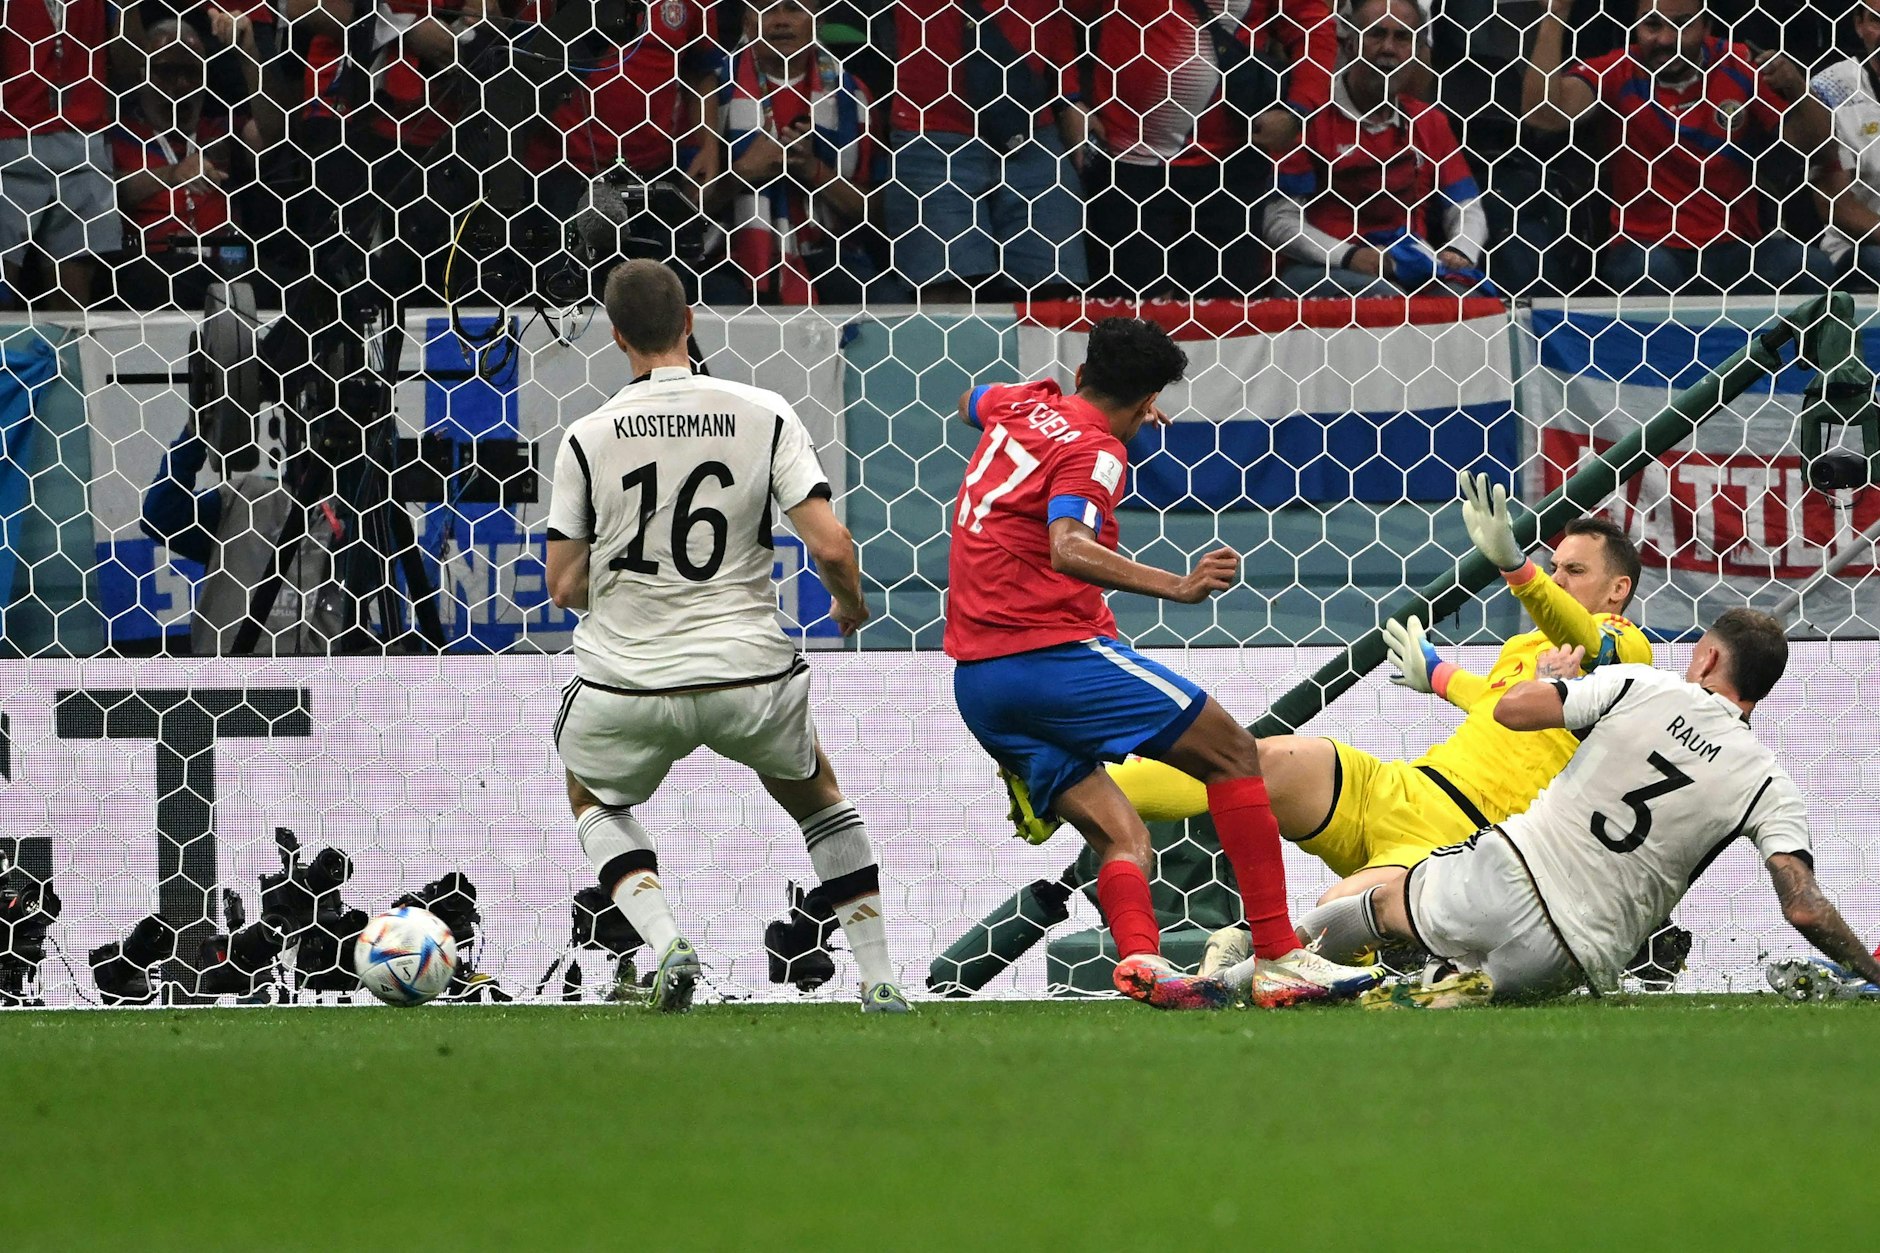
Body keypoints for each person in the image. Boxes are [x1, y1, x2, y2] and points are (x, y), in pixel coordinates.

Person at [1003, 472, 1653, 970]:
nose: (1559, 577)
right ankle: (1057, 788)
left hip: (1462, 839)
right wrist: (1440, 676)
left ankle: (1331, 969)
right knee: (1253, 759)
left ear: (1617, 589)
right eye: (1556, 565)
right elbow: (1496, 704)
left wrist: (1519, 570)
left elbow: (1589, 641)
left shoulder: (1629, 650)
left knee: (1331, 920)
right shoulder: (1529, 648)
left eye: (1576, 570)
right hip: (1401, 786)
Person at [945, 316, 1379, 1011]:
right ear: (1148, 403)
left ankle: (1143, 961)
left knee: (1123, 833)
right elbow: (1068, 545)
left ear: (1082, 375)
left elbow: (972, 399)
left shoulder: (1022, 403)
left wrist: (1035, 411)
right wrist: (1177, 584)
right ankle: (1276, 954)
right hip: (1047, 656)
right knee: (1235, 753)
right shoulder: (1096, 451)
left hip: (978, 681)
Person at [544, 259, 907, 1014]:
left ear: (616, 337)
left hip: (629, 683)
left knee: (592, 797)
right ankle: (877, 978)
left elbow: (563, 586)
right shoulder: (764, 411)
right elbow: (832, 546)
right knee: (820, 801)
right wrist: (850, 604)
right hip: (750, 677)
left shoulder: (585, 436)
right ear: (691, 322)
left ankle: (667, 937)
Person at [1275, 609, 1880, 1007]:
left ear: (1708, 660)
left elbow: (1513, 712)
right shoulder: (1770, 784)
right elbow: (1804, 908)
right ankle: (1442, 986)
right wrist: (1871, 973)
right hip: (1574, 957)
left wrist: (1546, 677)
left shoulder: (1646, 683)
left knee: (1378, 905)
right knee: (1453, 989)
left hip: (1506, 875)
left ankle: (1256, 969)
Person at [1522, 0, 1835, 296]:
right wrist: (1555, 16)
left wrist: (1796, 86)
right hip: (1646, 247)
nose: (1665, 39)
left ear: (1706, 26)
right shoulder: (1618, 70)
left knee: (1813, 267)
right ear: (1636, 26)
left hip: (1736, 249)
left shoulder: (1738, 63)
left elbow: (1818, 147)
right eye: (1652, 25)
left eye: (1682, 25)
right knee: (1652, 272)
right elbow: (1543, 114)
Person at [1083, 0, 1335, 299]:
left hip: (1230, 168)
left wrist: (1298, 111)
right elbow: (1060, 16)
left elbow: (1314, 27)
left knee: (1225, 323)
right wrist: (1067, 98)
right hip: (1128, 163)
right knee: (1130, 322)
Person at [1266, 0, 1490, 297]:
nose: (1388, 48)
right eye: (1376, 34)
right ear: (1348, 45)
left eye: (1402, 38)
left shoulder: (1428, 121)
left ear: (1417, 53)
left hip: (1405, 266)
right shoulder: (1306, 118)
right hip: (1319, 267)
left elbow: (1466, 205)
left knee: (1467, 302)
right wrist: (1348, 256)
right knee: (1384, 300)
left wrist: (1461, 250)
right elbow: (1279, 221)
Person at [882, 0, 1090, 300]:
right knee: (947, 303)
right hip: (932, 132)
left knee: (1052, 297)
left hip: (1031, 129)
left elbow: (1054, 15)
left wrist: (1068, 94)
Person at [699, 0, 901, 304]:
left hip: (828, 254)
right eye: (768, 9)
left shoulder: (852, 96)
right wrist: (743, 172)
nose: (780, 21)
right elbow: (685, 210)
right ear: (746, 23)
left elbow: (878, 216)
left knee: (888, 304)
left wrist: (813, 170)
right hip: (731, 254)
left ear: (817, 21)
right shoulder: (712, 91)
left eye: (793, 8)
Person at [110, 16, 283, 310]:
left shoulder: (220, 131)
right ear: (142, 75)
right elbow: (109, 194)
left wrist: (249, 57)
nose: (180, 85)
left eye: (192, 72)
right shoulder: (119, 135)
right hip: (155, 265)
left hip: (226, 264)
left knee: (294, 287)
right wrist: (172, 173)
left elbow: (273, 134)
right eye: (167, 72)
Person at [0, 0, 122, 309]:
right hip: (11, 137)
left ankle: (66, 356)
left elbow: (132, 65)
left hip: (83, 139)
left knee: (74, 301)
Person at [1797, 0, 1880, 289]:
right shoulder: (1828, 89)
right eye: (1877, 20)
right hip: (1857, 248)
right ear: (1859, 25)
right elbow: (1835, 205)